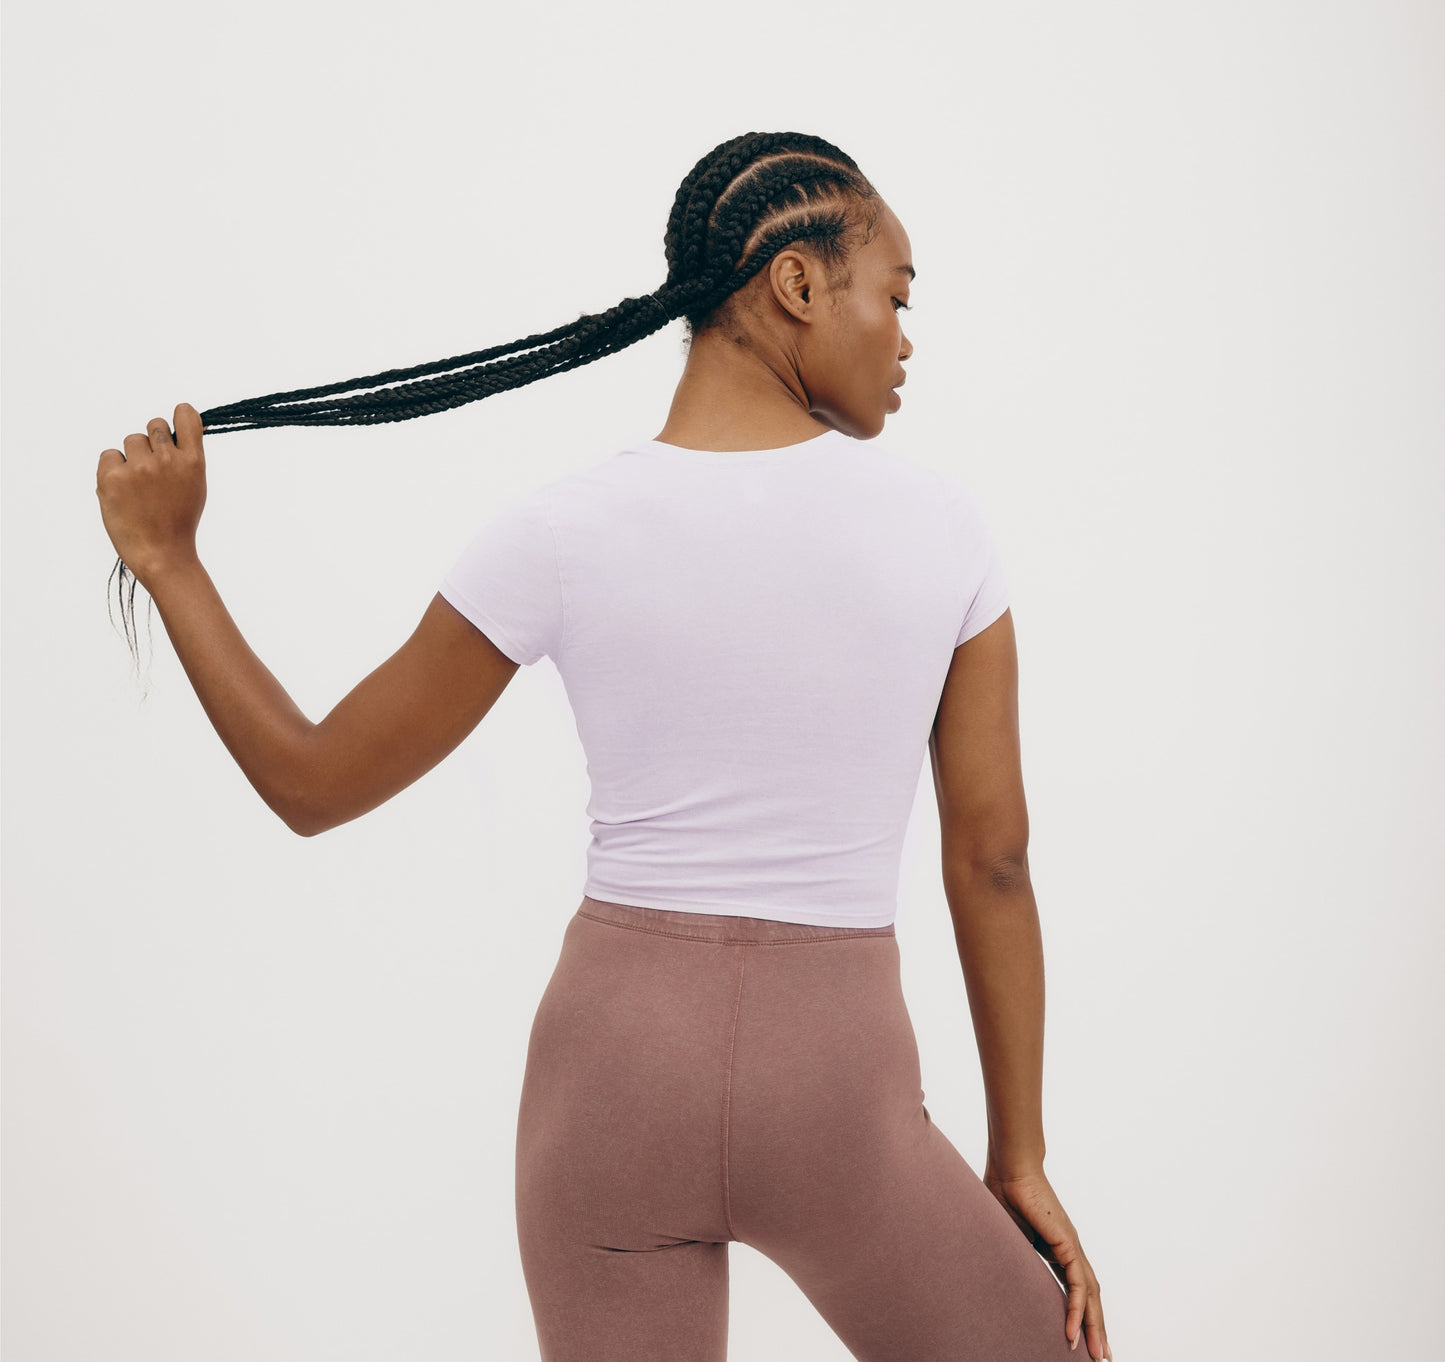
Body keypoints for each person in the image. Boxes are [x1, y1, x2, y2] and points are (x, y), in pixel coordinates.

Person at [95, 132, 1111, 1362]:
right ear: (796, 284)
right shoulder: (941, 534)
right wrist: (1018, 1156)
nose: (905, 341)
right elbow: (992, 860)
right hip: (836, 1089)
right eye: (894, 298)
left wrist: (171, 562)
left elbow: (312, 782)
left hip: (611, 1080)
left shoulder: (557, 531)